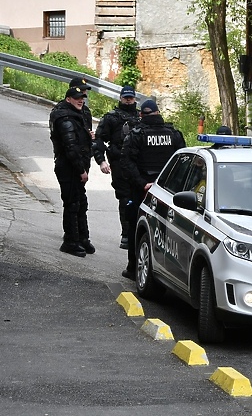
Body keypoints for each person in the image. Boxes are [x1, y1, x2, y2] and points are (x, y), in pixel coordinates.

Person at [119, 99, 186, 280]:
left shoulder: (136, 134)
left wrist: (143, 183)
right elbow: (183, 163)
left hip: (142, 191)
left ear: (141, 114)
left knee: (137, 226)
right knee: (167, 231)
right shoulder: (174, 134)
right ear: (158, 113)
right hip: (169, 193)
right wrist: (169, 185)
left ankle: (134, 268)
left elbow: (126, 163)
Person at [49, 77, 95, 257]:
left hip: (80, 162)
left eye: (84, 93)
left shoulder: (83, 111)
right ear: (70, 96)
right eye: (79, 93)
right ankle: (70, 240)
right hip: (69, 165)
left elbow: (83, 138)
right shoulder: (63, 115)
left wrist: (89, 136)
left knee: (80, 201)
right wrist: (81, 170)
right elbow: (70, 146)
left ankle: (82, 238)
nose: (83, 96)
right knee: (72, 202)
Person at [92, 85, 139, 249]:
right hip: (119, 163)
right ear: (120, 98)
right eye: (125, 97)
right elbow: (98, 140)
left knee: (141, 199)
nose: (128, 100)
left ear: (134, 99)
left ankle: (137, 234)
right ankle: (126, 235)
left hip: (139, 165)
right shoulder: (111, 118)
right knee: (125, 199)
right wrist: (101, 161)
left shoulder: (141, 117)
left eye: (130, 98)